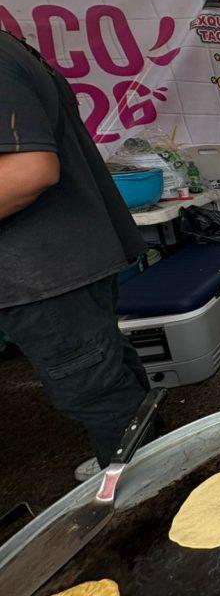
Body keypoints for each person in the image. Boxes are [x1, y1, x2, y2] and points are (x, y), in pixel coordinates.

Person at [0, 31, 151, 477]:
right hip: (65, 259)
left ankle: (143, 490)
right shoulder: (10, 49)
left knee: (96, 393)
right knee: (109, 370)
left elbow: (29, 169)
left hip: (42, 270)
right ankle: (150, 457)